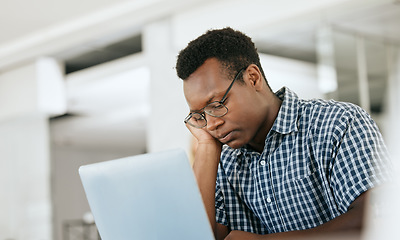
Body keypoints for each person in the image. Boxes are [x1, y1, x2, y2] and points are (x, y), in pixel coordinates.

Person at [175, 27, 391, 240]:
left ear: (253, 78)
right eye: (199, 115)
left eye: (216, 104)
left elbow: (379, 217)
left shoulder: (337, 123)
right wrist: (206, 147)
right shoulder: (224, 162)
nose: (211, 124)